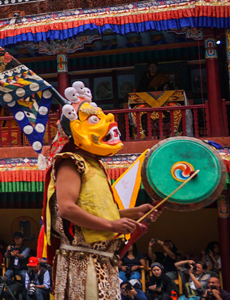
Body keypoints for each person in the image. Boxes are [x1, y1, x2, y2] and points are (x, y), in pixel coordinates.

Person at [45, 83, 160, 300]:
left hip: (104, 260)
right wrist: (111, 225)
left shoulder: (96, 165)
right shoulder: (71, 162)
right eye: (94, 119)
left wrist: (136, 212)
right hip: (82, 261)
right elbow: (67, 209)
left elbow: (97, 211)